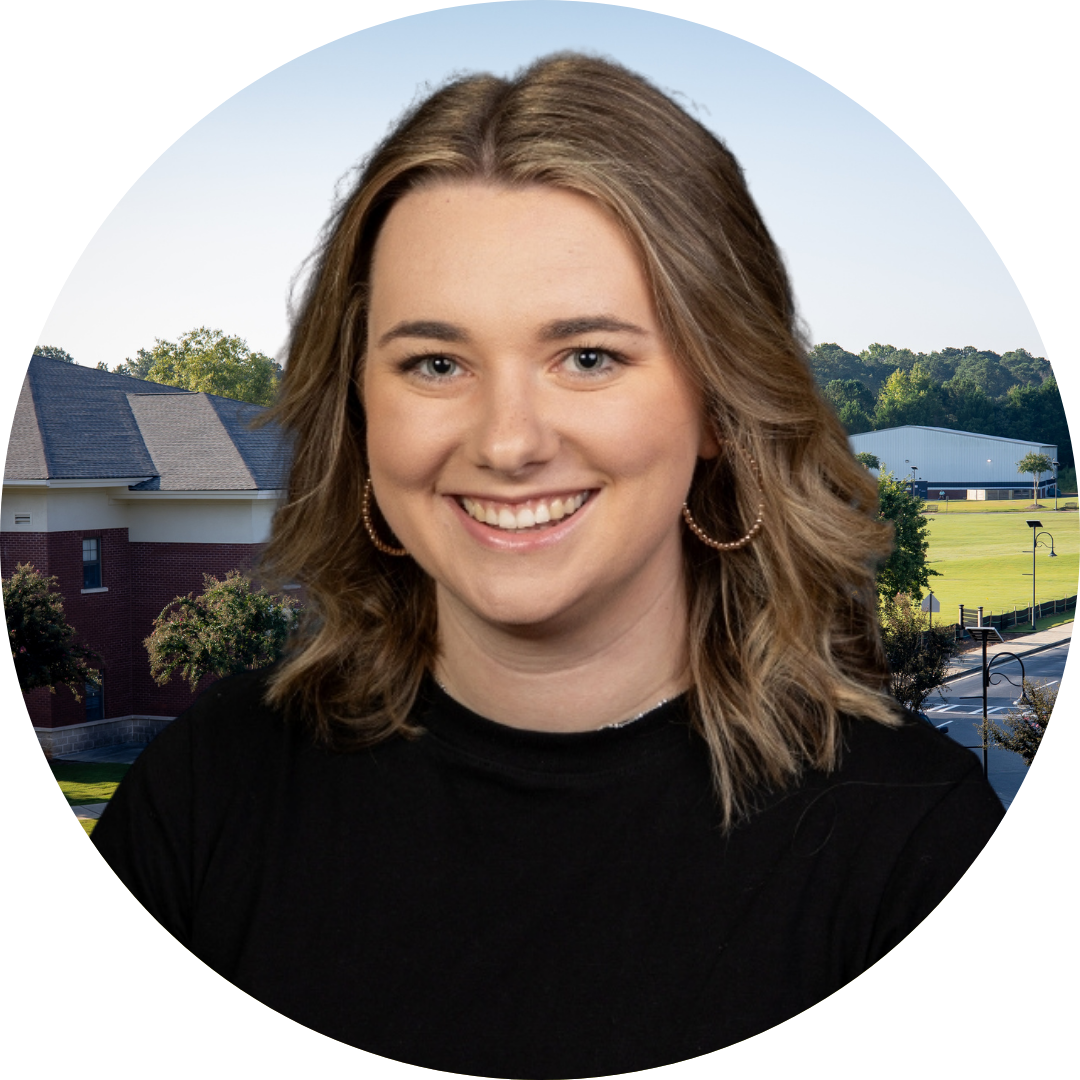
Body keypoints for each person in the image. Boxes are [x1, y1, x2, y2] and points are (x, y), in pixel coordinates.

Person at [92, 53, 1003, 1074]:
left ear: (716, 401)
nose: (509, 441)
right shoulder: (212, 791)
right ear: (360, 410)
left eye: (588, 357)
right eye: (436, 363)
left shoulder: (912, 841)